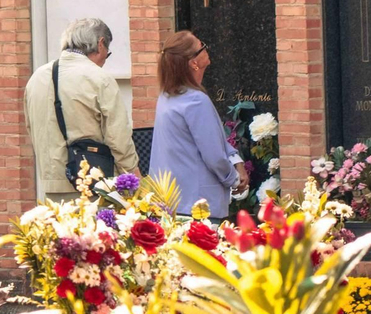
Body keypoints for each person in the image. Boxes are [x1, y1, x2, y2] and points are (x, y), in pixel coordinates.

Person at [23, 17, 139, 198]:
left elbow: (32, 129)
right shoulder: (100, 79)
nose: (104, 61)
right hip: (96, 186)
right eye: (107, 55)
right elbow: (118, 138)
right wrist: (132, 176)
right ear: (101, 44)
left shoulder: (36, 78)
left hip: (52, 187)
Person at [149, 31, 248, 215]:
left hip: (172, 202)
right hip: (199, 205)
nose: (206, 49)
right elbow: (214, 155)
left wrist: (236, 160)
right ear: (193, 62)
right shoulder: (195, 101)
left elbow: (213, 141)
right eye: (201, 46)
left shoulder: (167, 96)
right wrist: (233, 179)